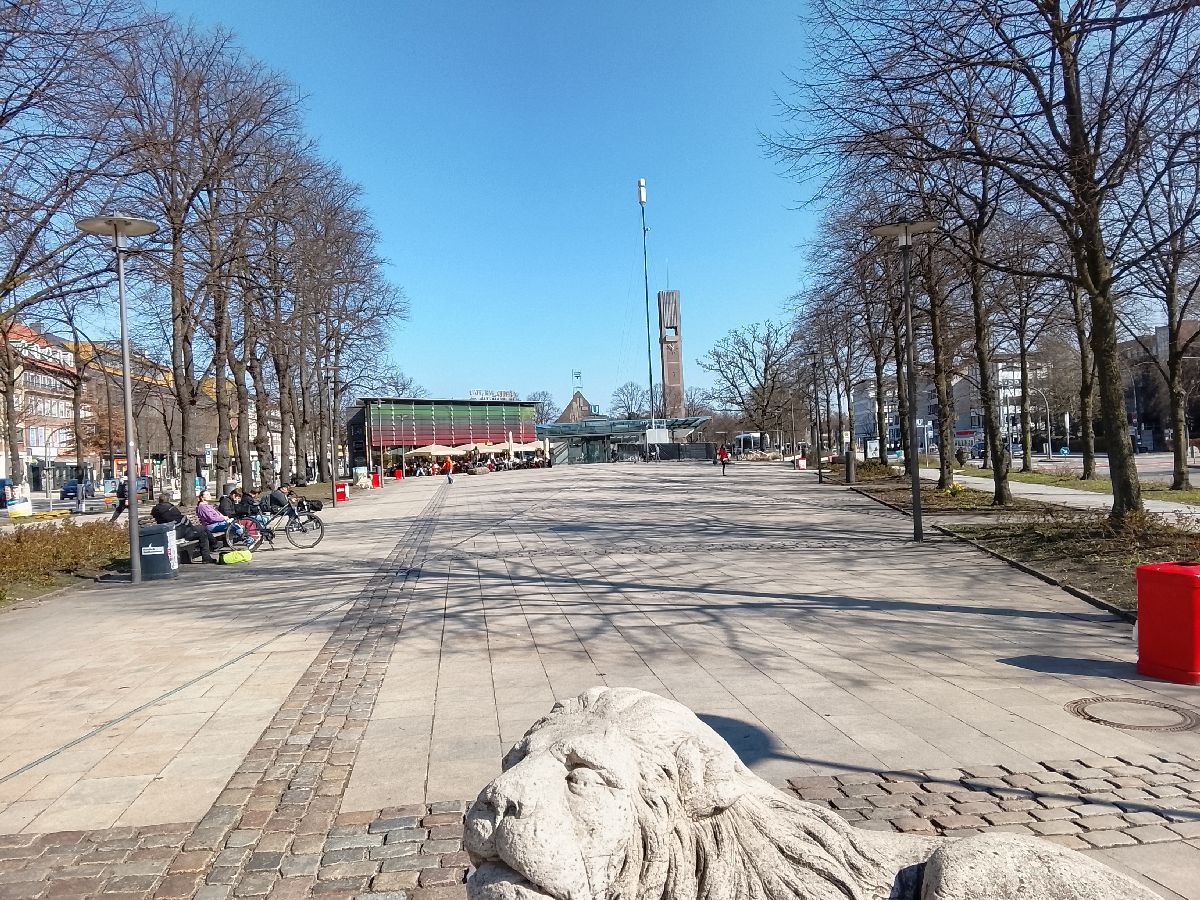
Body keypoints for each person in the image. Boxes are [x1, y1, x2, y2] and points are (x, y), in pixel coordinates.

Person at [150, 492, 215, 563]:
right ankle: (208, 555)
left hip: (168, 533)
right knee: (203, 533)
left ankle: (214, 544)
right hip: (180, 533)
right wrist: (190, 526)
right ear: (168, 500)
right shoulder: (171, 508)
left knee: (202, 529)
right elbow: (181, 520)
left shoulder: (155, 510)